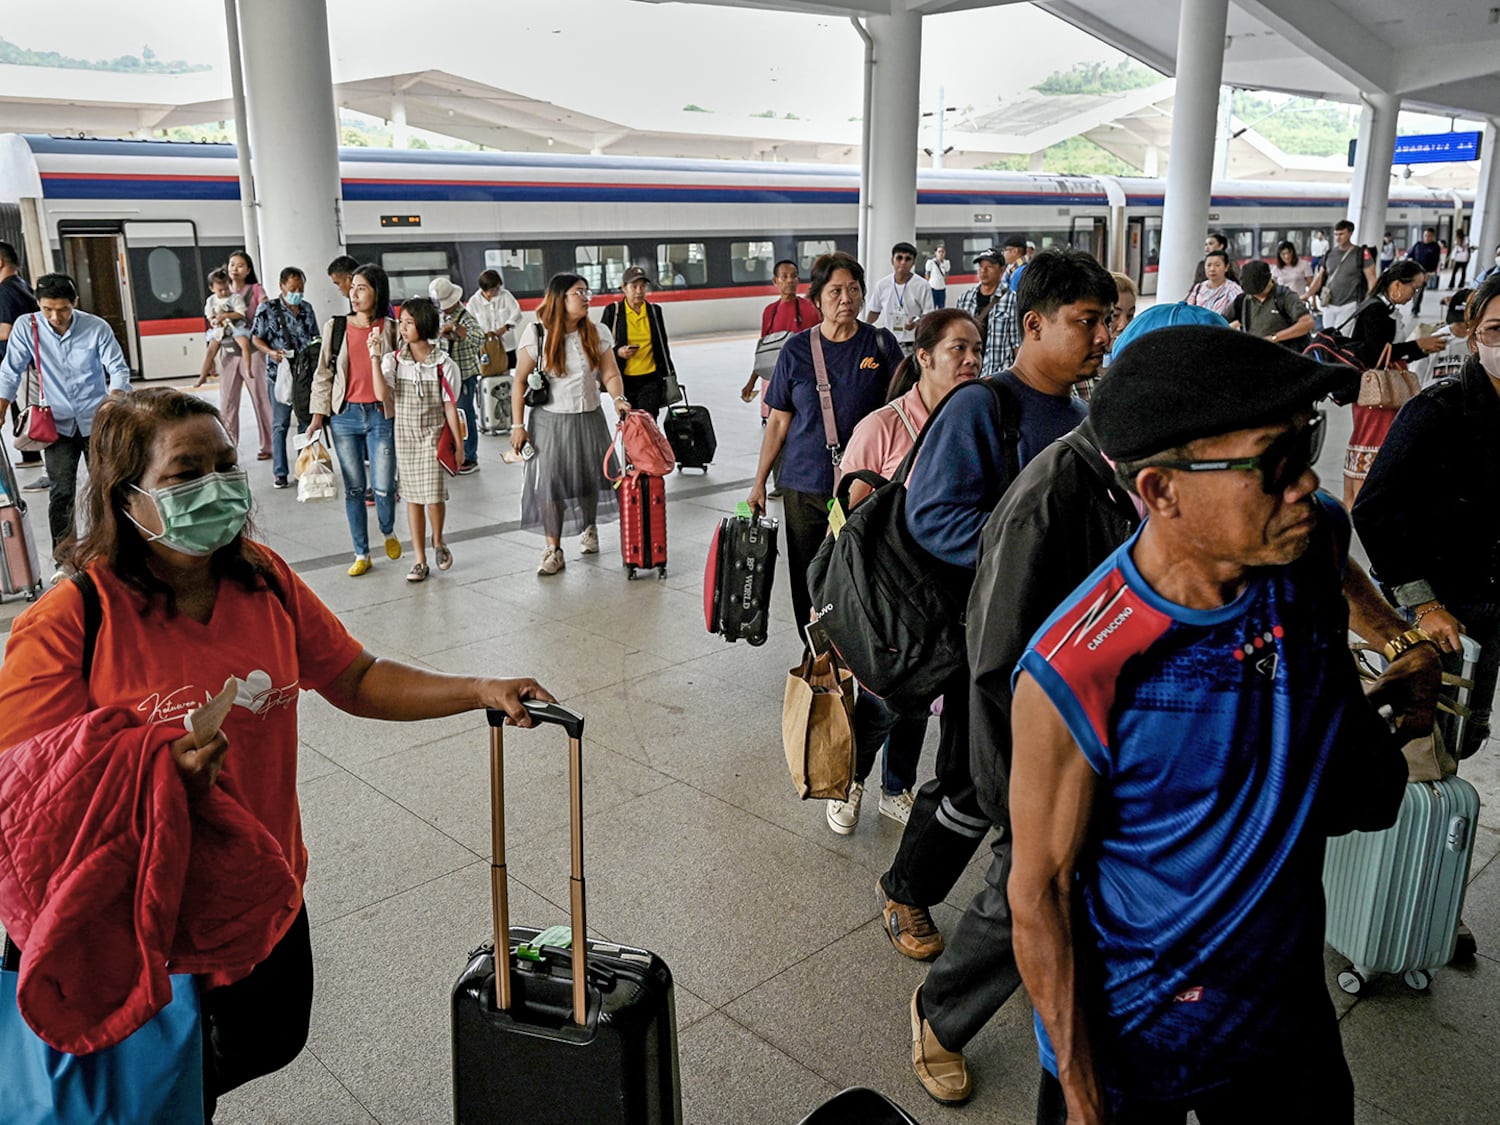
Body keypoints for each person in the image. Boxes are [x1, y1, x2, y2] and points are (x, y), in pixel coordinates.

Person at [0, 387, 554, 1121]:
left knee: (268, 1040)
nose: (218, 486)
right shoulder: (74, 618)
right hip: (145, 923)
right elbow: (24, 798)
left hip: (261, 890)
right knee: (149, 1090)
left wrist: (479, 687)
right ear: (126, 497)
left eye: (226, 465)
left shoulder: (263, 579)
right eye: (185, 473)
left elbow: (354, 676)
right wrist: (153, 778)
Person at [1011, 326, 1427, 1125]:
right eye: (1273, 462)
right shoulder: (1079, 666)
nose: (1304, 481)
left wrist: (1398, 638)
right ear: (1163, 490)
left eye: (1305, 444)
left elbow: (1344, 563)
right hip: (1136, 1034)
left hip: (1284, 1017)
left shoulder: (1305, 540)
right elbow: (1038, 895)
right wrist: (1083, 1099)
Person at [877, 250, 1116, 970]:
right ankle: (905, 888)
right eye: (1086, 321)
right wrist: (1029, 560)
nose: (1102, 336)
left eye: (1108, 321)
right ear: (1034, 324)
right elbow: (935, 518)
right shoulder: (985, 406)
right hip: (986, 640)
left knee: (1018, 784)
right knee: (968, 781)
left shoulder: (1081, 417)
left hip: (1061, 645)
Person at [824, 308, 982, 837]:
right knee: (881, 696)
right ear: (923, 357)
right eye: (958, 348)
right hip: (888, 594)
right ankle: (852, 777)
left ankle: (897, 785)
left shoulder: (976, 423)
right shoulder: (884, 425)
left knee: (921, 694)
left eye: (976, 350)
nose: (971, 359)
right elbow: (843, 514)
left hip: (946, 592)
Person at [1356, 276, 1500, 764]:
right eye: (1498, 329)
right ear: (1474, 332)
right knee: (1418, 744)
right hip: (1438, 612)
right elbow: (1374, 508)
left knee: (1466, 734)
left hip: (1488, 605)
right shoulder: (1436, 410)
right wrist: (1424, 603)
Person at [747, 252, 901, 632]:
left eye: (853, 289)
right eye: (835, 291)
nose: (846, 298)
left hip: (863, 486)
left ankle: (856, 652)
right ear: (816, 299)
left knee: (859, 572)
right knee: (806, 573)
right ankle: (814, 648)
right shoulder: (796, 350)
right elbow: (779, 421)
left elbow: (902, 409)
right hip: (804, 485)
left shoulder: (879, 345)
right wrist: (759, 482)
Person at [0, 272, 131, 577]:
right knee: (62, 491)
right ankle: (66, 560)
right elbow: (9, 372)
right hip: (54, 424)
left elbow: (118, 369)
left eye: (62, 309)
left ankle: (115, 551)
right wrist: (2, 408)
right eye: (47, 309)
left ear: (75, 303)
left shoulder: (96, 327)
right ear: (39, 305)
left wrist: (114, 402)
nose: (55, 316)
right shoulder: (27, 327)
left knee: (108, 487)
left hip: (95, 420)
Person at [511, 273, 631, 576]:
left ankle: (589, 528)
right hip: (550, 422)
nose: (586, 297)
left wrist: (617, 398)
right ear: (560, 299)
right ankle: (553, 549)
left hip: (590, 418)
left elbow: (610, 373)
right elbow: (519, 382)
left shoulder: (597, 332)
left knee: (591, 478)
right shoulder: (537, 334)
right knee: (551, 485)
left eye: (586, 291)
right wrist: (517, 426)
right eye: (579, 292)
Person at [306, 263, 402, 578]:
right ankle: (361, 553)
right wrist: (317, 417)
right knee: (354, 489)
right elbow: (324, 374)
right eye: (353, 287)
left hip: (380, 415)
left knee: (384, 487)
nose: (354, 294)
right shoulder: (335, 327)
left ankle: (387, 530)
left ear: (377, 292)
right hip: (344, 416)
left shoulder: (392, 329)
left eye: (362, 288)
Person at [1342, 260, 1447, 509]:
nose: (1415, 295)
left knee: (1376, 440)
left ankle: (1362, 497)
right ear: (1398, 285)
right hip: (1377, 391)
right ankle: (1358, 499)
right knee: (1369, 441)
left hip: (1383, 390)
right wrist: (1418, 346)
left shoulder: (1384, 308)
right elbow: (1375, 352)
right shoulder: (1375, 310)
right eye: (1415, 288)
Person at [375, 297, 464, 582]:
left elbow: (450, 405)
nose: (402, 328)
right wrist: (374, 358)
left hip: (433, 437)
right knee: (413, 498)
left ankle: (438, 540)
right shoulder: (394, 361)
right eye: (401, 323)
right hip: (405, 438)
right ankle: (419, 559)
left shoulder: (443, 364)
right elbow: (381, 394)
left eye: (409, 323)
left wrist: (459, 445)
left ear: (424, 324)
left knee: (434, 495)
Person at [251, 266, 319, 490]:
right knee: (279, 424)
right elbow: (256, 339)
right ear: (281, 286)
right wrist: (272, 353)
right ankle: (280, 472)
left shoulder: (307, 309)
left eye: (300, 288)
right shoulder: (268, 309)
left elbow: (315, 337)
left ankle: (303, 468)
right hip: (278, 374)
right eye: (292, 288)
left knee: (304, 422)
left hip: (303, 375)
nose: (297, 292)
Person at [599, 265, 676, 421]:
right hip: (624, 381)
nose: (639, 291)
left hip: (651, 379)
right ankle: (630, 446)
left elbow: (662, 345)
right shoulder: (613, 312)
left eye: (643, 286)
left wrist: (670, 374)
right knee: (630, 423)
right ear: (624, 288)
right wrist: (618, 352)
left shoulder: (654, 312)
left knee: (647, 421)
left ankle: (649, 446)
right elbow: (601, 347)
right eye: (634, 286)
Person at [220, 251, 273, 464]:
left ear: (248, 270)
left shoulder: (256, 290)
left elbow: (266, 311)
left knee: (261, 399)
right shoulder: (221, 290)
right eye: (232, 264)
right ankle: (228, 447)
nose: (235, 268)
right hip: (229, 352)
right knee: (227, 402)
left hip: (253, 351)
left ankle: (268, 445)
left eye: (240, 265)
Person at [429, 277, 483, 474]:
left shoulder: (465, 317)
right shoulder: (440, 316)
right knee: (448, 416)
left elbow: (480, 338)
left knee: (464, 414)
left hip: (465, 375)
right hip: (445, 375)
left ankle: (470, 457)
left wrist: (458, 331)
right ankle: (452, 453)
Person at [0, 240, 42, 474]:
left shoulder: (4, 290)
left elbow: (6, 330)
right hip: (30, 361)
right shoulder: (22, 284)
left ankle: (35, 455)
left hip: (22, 363)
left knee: (29, 411)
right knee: (26, 408)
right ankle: (31, 454)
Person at [956, 247, 1021, 379]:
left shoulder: (1012, 301)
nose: (983, 271)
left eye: (989, 267)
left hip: (998, 376)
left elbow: (1017, 345)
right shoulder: (965, 299)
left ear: (1002, 270)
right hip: (969, 374)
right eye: (981, 267)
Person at [1307, 219, 1377, 333]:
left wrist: (1370, 301)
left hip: (1349, 304)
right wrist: (1308, 294)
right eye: (1335, 234)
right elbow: (1320, 277)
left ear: (1350, 233)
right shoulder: (1329, 254)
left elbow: (1371, 278)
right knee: (1328, 336)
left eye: (1341, 234)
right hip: (1329, 303)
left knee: (1341, 336)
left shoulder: (1361, 254)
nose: (1337, 238)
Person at [1075, 272, 1135, 403]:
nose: (1123, 325)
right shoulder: (1077, 369)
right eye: (1114, 316)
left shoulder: (1134, 362)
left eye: (1130, 315)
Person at [865, 241, 934, 354]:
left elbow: (928, 315)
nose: (903, 262)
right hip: (888, 343)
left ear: (913, 263)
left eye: (908, 259)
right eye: (899, 258)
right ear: (892, 260)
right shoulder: (883, 285)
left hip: (912, 344)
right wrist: (865, 330)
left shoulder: (922, 285)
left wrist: (915, 323)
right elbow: (874, 311)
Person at [1231, 259, 1314, 350]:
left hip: (1284, 353)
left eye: (1260, 291)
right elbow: (1222, 321)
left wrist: (1274, 338)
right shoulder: (1244, 300)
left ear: (1269, 279)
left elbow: (1307, 323)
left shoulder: (1285, 296)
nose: (1256, 295)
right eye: (1252, 292)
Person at [198, 267, 252, 387]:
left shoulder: (235, 298)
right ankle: (203, 375)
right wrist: (214, 321)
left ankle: (248, 369)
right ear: (212, 288)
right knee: (211, 350)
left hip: (236, 326)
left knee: (244, 344)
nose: (224, 292)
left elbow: (240, 313)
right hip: (220, 328)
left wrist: (226, 315)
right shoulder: (211, 300)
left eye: (226, 289)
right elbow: (209, 316)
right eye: (220, 290)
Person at [468, 268, 522, 373]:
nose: (497, 291)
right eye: (494, 289)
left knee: (509, 374)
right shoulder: (474, 302)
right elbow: (471, 325)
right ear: (485, 289)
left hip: (507, 346)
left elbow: (517, 313)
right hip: (486, 348)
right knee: (488, 374)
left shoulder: (505, 296)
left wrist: (505, 327)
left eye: (498, 287)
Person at [1185, 250, 1243, 317]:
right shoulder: (1198, 287)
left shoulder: (1233, 289)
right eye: (1209, 265)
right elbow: (1188, 310)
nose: (1212, 269)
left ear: (1226, 267)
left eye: (1217, 265)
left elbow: (1240, 317)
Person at [1407, 228, 1442, 316]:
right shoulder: (1418, 245)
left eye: (1429, 236)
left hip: (1425, 272)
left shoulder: (1435, 247)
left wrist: (1430, 273)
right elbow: (1409, 255)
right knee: (1413, 290)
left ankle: (1415, 309)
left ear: (1432, 236)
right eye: (1425, 235)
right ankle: (1414, 305)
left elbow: (1436, 260)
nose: (1427, 238)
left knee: (1419, 290)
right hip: (1415, 270)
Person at [925, 244, 950, 308]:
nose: (941, 253)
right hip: (933, 289)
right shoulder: (930, 262)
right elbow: (927, 275)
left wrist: (944, 281)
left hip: (942, 289)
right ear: (935, 253)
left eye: (942, 252)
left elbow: (947, 274)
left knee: (941, 307)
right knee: (932, 307)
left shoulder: (946, 263)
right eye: (939, 252)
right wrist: (928, 284)